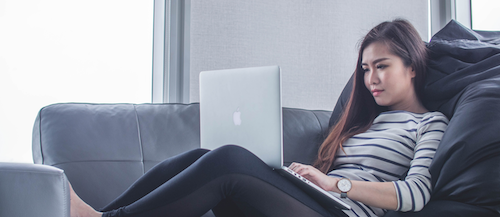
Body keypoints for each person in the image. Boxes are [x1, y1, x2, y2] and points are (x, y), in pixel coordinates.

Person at [69, 19, 448, 217]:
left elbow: (415, 195)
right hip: (316, 202)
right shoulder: (365, 121)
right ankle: (103, 213)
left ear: (412, 66)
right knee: (203, 155)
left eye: (381, 66)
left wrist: (336, 185)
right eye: (365, 69)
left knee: (229, 159)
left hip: (344, 212)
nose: (370, 79)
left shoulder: (429, 123)